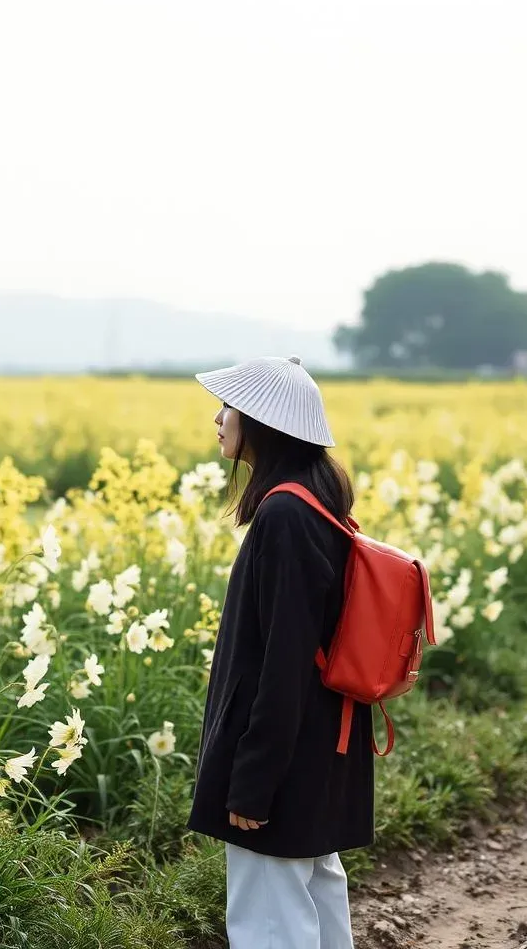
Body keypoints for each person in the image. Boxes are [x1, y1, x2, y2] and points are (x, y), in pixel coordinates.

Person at [186, 355, 373, 949]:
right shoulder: (317, 500)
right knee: (315, 895)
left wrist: (254, 778)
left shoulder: (286, 515)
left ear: (262, 423)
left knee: (270, 917)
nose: (218, 419)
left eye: (229, 408)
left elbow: (284, 662)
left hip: (286, 754)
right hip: (320, 743)